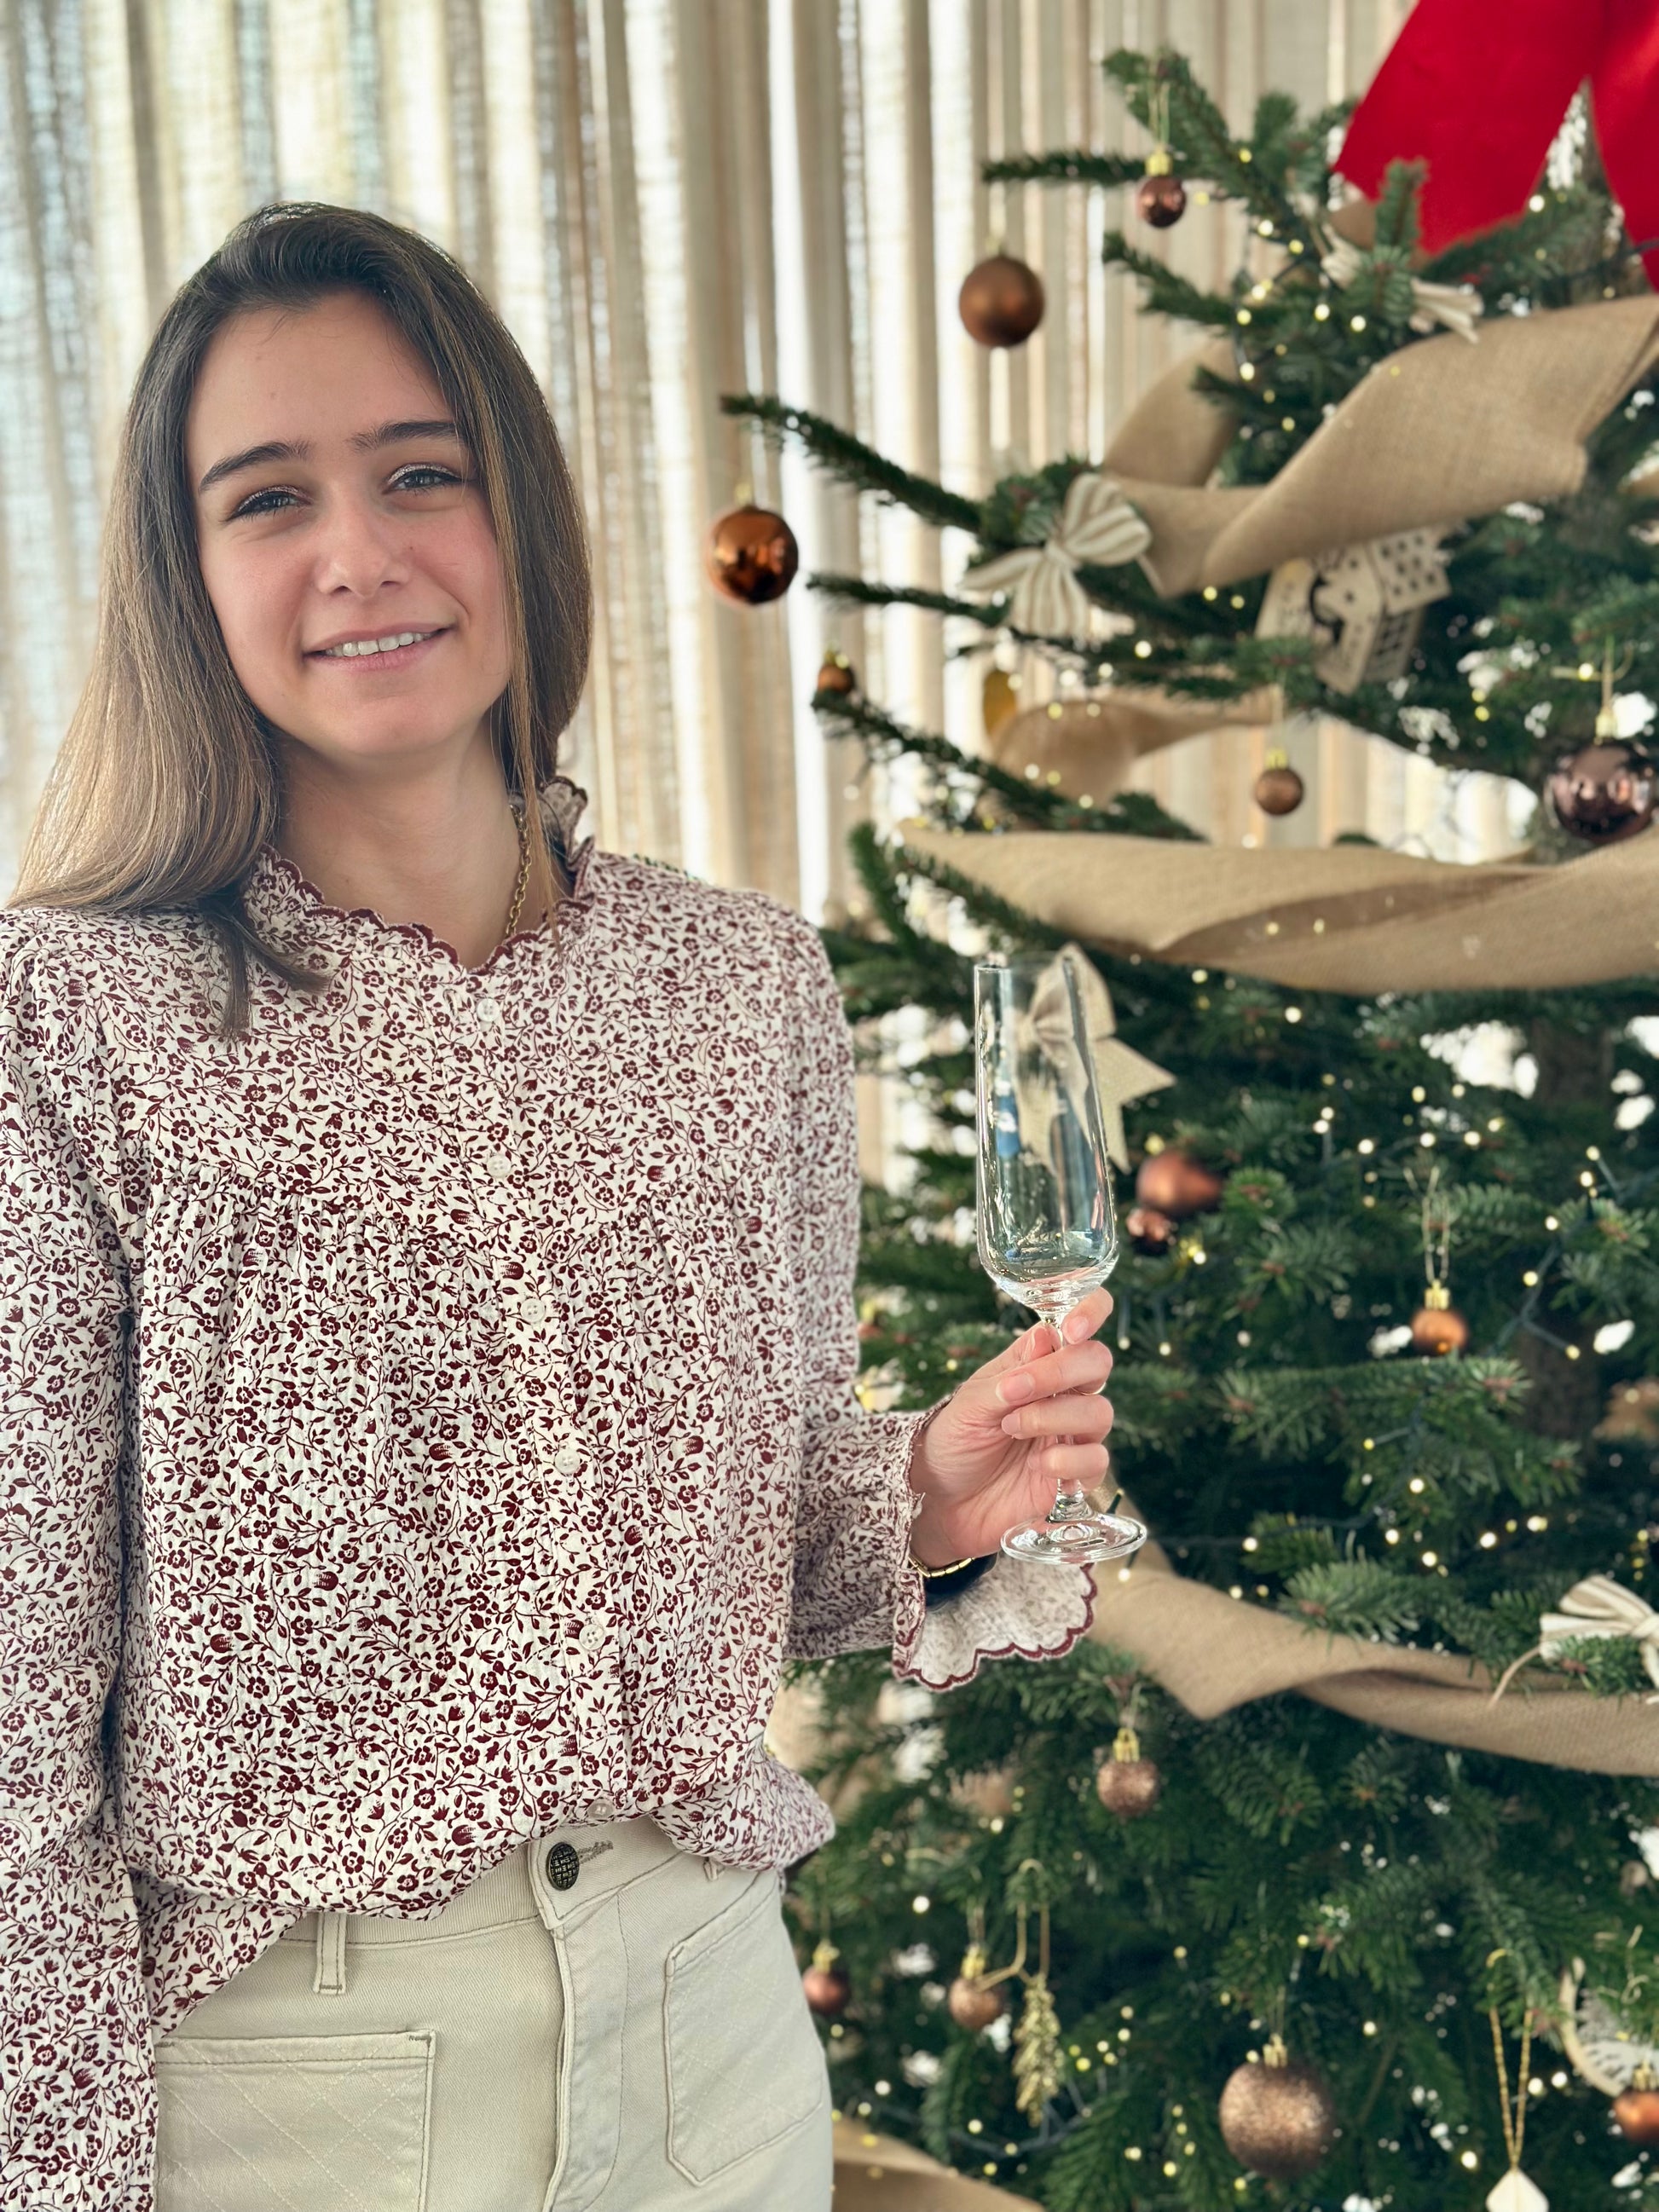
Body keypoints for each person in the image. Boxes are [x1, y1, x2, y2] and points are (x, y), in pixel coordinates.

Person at [0, 201, 1116, 2212]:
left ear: (516, 506)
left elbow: (743, 1535)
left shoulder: (742, 986)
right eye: (269, 498)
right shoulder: (72, 1019)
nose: (360, 553)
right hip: (292, 2095)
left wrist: (919, 1498)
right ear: (188, 575)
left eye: (420, 472)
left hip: (713, 2034)